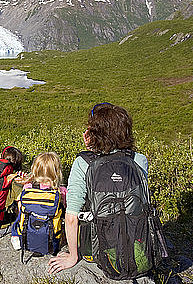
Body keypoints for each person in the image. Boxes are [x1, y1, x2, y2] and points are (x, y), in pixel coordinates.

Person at [48, 103, 148, 274]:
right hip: (134, 241)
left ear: (94, 134)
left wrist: (73, 256)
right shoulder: (139, 160)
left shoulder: (83, 163)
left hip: (94, 249)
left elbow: (72, 216)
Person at [11, 152, 67, 250]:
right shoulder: (61, 191)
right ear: (56, 172)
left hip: (27, 235)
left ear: (35, 170)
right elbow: (66, 209)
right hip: (51, 238)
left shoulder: (27, 187)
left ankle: (16, 235)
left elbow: (21, 206)